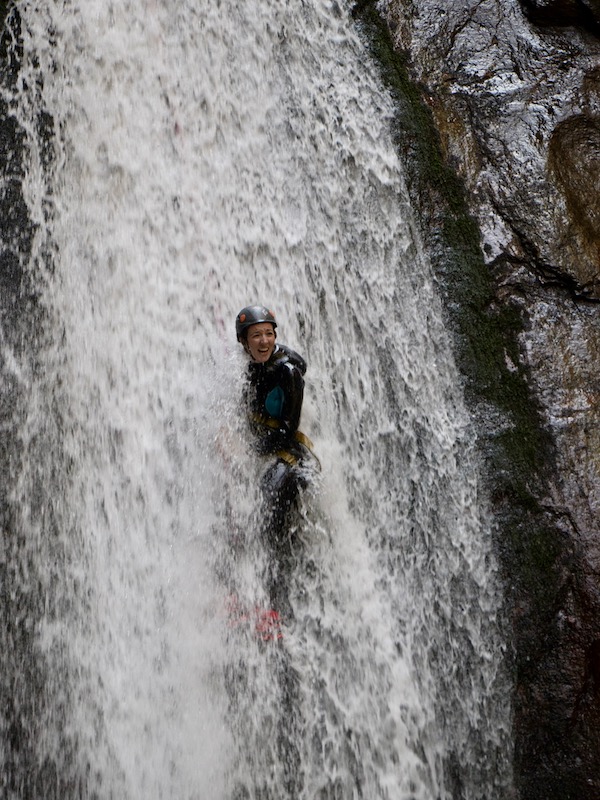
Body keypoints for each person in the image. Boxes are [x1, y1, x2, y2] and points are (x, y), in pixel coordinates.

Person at [236, 304, 313, 610]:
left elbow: (287, 430)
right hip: (262, 452)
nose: (264, 341)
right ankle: (237, 590)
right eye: (256, 335)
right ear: (245, 342)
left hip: (292, 455)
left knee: (269, 498)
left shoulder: (288, 372)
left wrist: (248, 451)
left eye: (269, 334)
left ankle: (273, 599)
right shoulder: (241, 369)